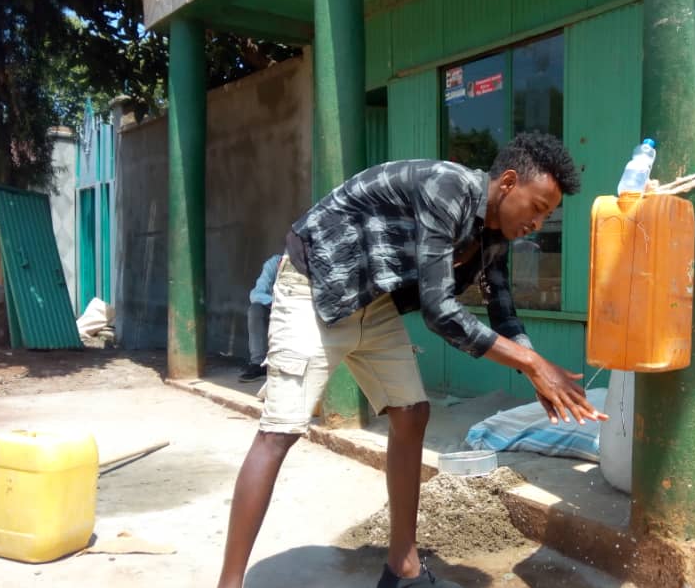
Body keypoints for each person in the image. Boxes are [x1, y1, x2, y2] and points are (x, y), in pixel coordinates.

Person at [216, 132, 608, 588]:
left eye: (547, 215)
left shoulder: (494, 234)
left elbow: (502, 307)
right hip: (315, 286)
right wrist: (531, 365)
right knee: (279, 431)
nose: (539, 223)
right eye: (538, 207)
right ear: (507, 183)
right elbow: (440, 310)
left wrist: (537, 366)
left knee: (412, 412)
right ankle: (228, 583)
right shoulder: (449, 187)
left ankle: (402, 569)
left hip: (371, 299)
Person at [239, 254, 281, 383]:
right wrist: (278, 304)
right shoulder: (275, 263)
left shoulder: (311, 263)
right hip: (278, 308)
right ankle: (259, 364)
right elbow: (256, 293)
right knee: (256, 309)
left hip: (301, 313)